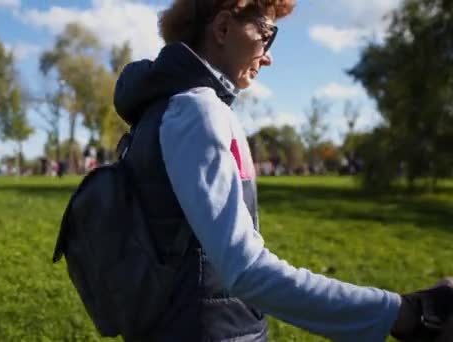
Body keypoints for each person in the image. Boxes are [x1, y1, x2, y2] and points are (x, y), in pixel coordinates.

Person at [113, 0, 453, 341]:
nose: (269, 56)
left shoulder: (166, 107)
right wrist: (406, 313)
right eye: (266, 35)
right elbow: (246, 271)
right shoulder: (197, 111)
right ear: (223, 28)